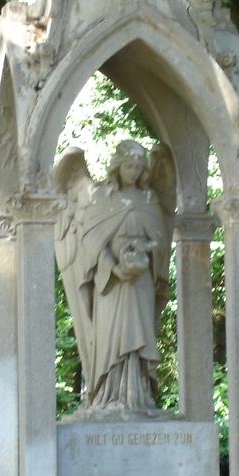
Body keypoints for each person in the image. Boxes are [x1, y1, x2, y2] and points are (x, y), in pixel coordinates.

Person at [76, 140, 170, 411]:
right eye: (129, 166)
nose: (133, 172)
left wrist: (145, 250)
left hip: (141, 279)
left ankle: (139, 396)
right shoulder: (102, 197)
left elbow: (161, 240)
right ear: (118, 166)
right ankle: (108, 395)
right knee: (110, 338)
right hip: (112, 282)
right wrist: (113, 266)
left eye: (139, 167)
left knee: (141, 333)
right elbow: (91, 240)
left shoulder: (149, 199)